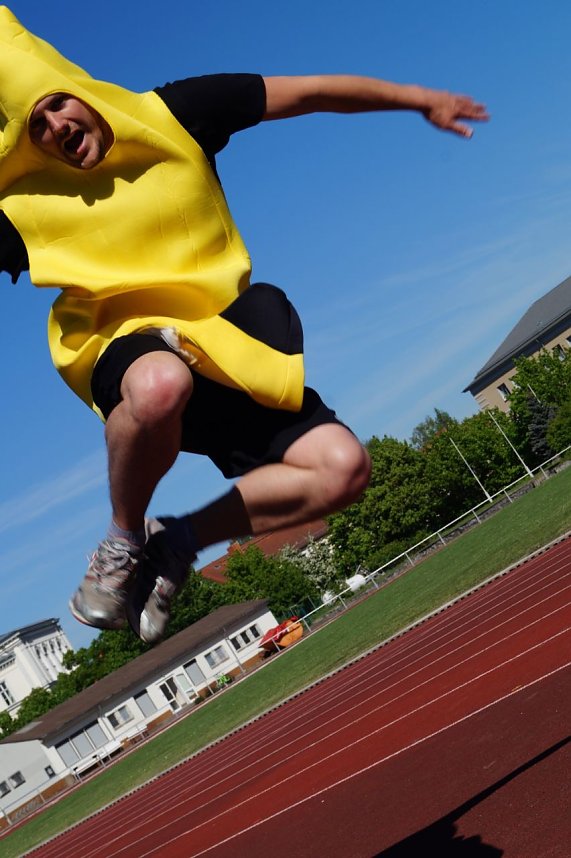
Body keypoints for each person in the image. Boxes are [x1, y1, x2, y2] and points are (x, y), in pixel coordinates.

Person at [0, 9, 488, 645]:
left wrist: (422, 98)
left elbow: (308, 91)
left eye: (58, 105)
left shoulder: (174, 113)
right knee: (157, 385)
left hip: (222, 340)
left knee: (342, 469)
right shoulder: (20, 207)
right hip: (120, 347)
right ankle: (122, 540)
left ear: (80, 91)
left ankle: (177, 542)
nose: (57, 125)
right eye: (37, 127)